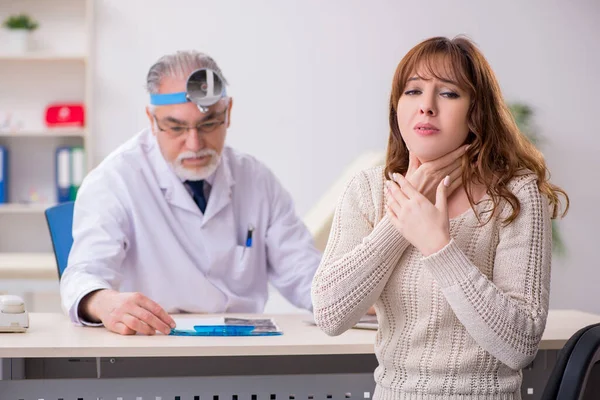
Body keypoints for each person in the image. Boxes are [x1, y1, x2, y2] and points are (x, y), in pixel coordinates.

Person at [311, 36, 569, 399]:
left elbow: (519, 345)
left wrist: (437, 243)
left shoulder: (515, 194)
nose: (426, 107)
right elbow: (330, 314)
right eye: (413, 91)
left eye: (448, 93)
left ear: (476, 111)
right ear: (396, 106)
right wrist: (400, 222)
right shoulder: (367, 190)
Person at [60, 51, 321, 336]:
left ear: (228, 113)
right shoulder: (114, 181)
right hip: (156, 345)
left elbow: (304, 272)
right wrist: (103, 301)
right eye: (175, 127)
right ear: (152, 119)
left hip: (246, 348)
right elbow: (82, 275)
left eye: (208, 124)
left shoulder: (256, 179)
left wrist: (358, 297)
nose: (194, 143)